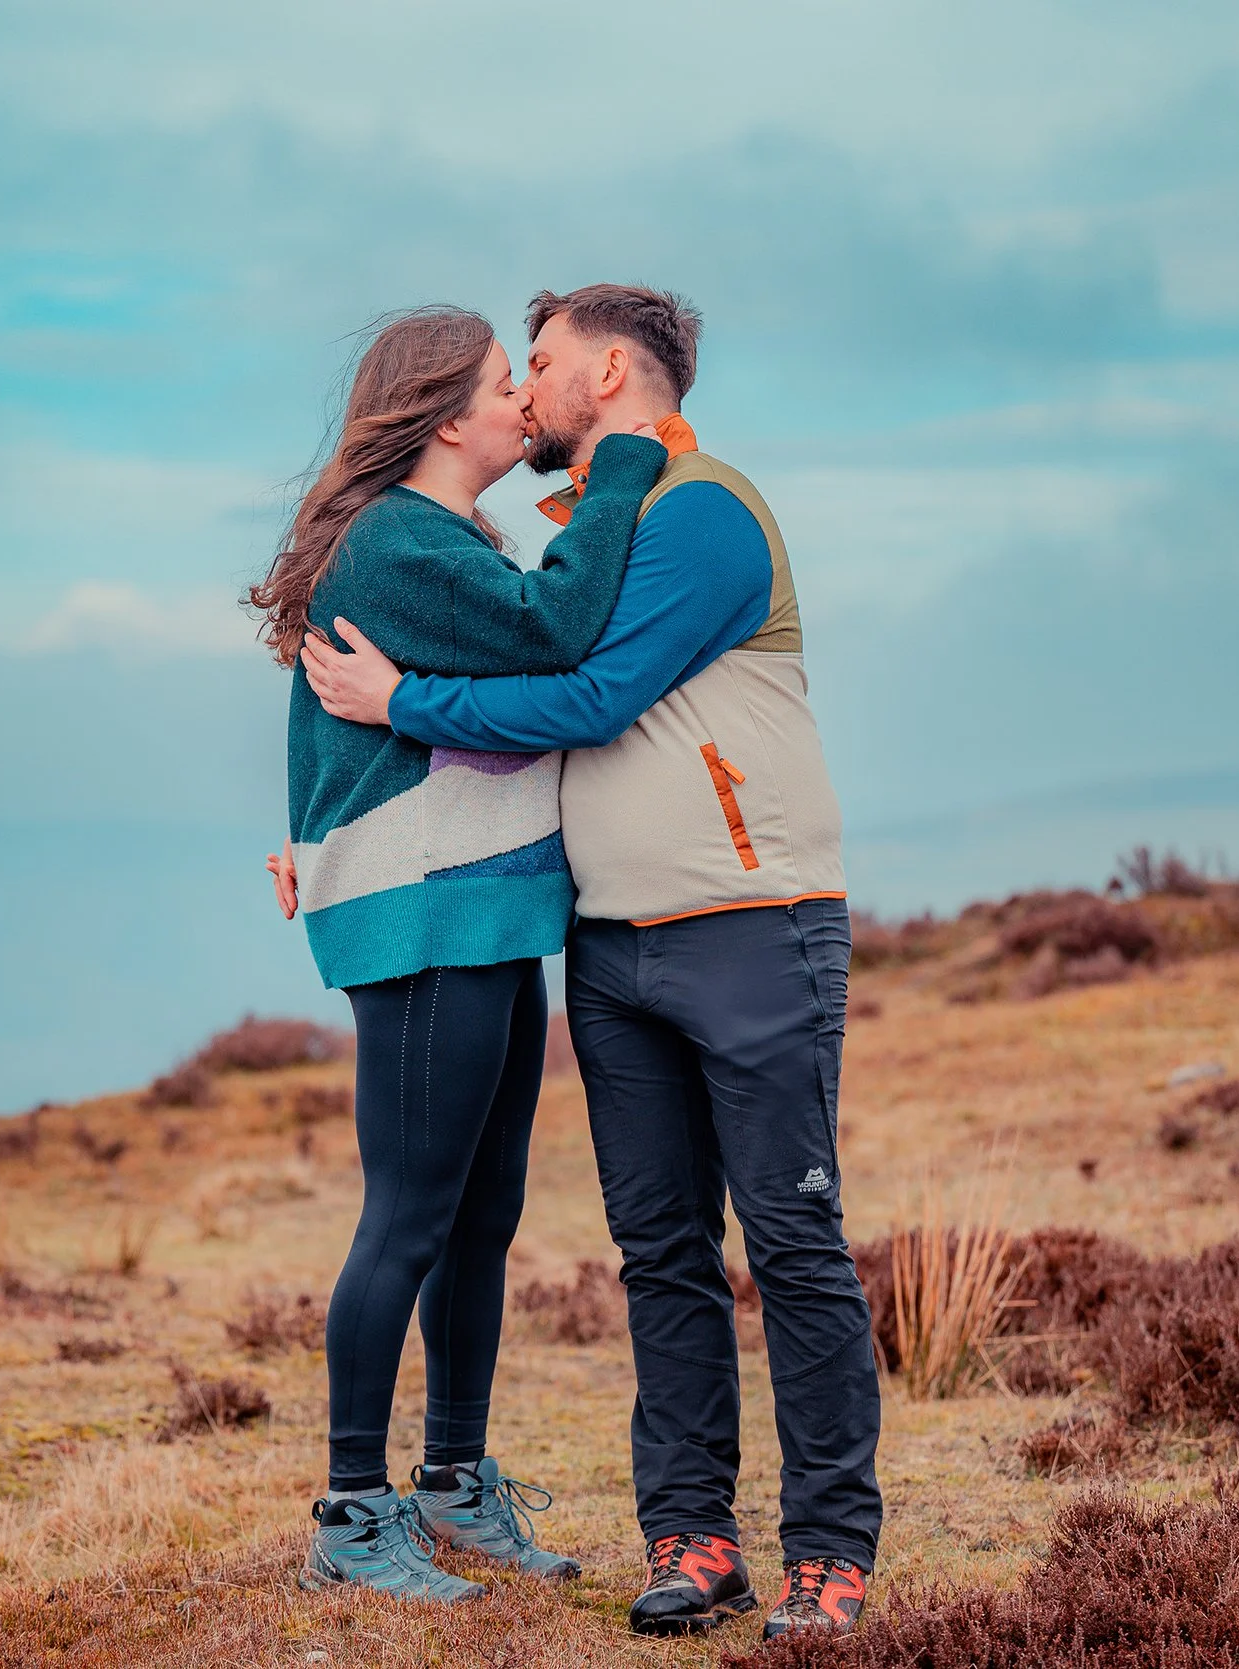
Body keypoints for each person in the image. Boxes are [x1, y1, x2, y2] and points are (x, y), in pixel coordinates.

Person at [300, 285, 881, 1641]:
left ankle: (829, 1557)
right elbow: (495, 705)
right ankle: (691, 1540)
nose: (528, 395)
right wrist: (317, 825)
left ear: (612, 373)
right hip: (608, 946)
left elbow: (585, 691)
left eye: (542, 366)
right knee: (660, 1254)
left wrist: (399, 702)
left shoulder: (701, 515)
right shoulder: (571, 529)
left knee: (792, 1244)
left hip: (750, 922)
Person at [249, 304, 667, 1602]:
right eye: (504, 384)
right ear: (444, 417)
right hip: (428, 912)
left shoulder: (440, 538)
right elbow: (557, 633)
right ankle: (351, 1515)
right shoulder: (400, 543)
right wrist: (631, 462)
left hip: (478, 906)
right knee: (411, 1218)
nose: (521, 404)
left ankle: (454, 1484)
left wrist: (308, 835)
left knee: (479, 1218)